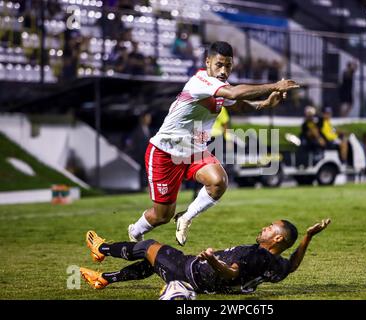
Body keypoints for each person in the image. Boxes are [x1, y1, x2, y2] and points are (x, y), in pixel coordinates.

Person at [127, 41, 299, 246]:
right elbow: (235, 94)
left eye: (228, 65)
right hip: (165, 152)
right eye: (219, 64)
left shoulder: (220, 88)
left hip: (194, 150)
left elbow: (238, 105)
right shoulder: (200, 82)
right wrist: (274, 85)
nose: (224, 70)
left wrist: (265, 104)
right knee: (162, 216)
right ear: (207, 62)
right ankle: (136, 230)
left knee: (219, 181)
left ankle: (186, 217)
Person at [79, 218, 331, 294]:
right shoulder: (275, 264)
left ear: (277, 239)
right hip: (200, 280)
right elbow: (293, 267)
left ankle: (100, 249)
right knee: (151, 264)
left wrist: (211, 260)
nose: (265, 227)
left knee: (149, 247)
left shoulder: (256, 255)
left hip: (191, 272)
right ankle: (105, 279)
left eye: (270, 228)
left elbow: (232, 272)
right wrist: (309, 236)